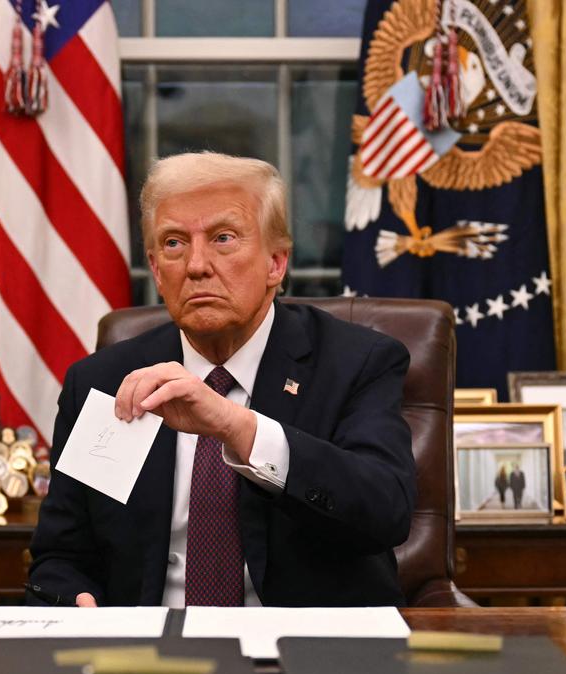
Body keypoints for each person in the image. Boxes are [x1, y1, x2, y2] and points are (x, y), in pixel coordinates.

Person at [27, 152, 416, 608]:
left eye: (223, 238)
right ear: (155, 269)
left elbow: (385, 511)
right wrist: (74, 598)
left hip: (305, 654)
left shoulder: (357, 362)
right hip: (145, 656)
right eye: (173, 243)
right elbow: (60, 555)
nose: (196, 265)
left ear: (276, 262)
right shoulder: (107, 381)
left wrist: (238, 427)